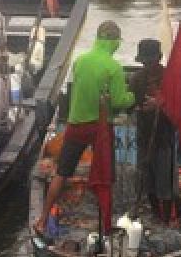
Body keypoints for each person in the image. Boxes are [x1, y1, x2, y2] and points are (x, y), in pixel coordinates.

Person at [32, 20, 135, 236]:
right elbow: (118, 101)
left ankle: (42, 220)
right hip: (99, 129)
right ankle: (106, 230)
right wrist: (132, 96)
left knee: (62, 173)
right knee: (105, 178)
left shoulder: (79, 61)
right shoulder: (113, 67)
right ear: (114, 41)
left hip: (75, 125)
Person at [130, 39, 177, 222]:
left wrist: (161, 103)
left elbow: (180, 105)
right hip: (145, 135)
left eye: (151, 62)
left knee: (164, 180)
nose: (148, 66)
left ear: (158, 59)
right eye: (145, 62)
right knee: (146, 177)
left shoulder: (170, 78)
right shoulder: (136, 79)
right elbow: (130, 104)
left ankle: (166, 217)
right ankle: (155, 213)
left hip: (165, 136)